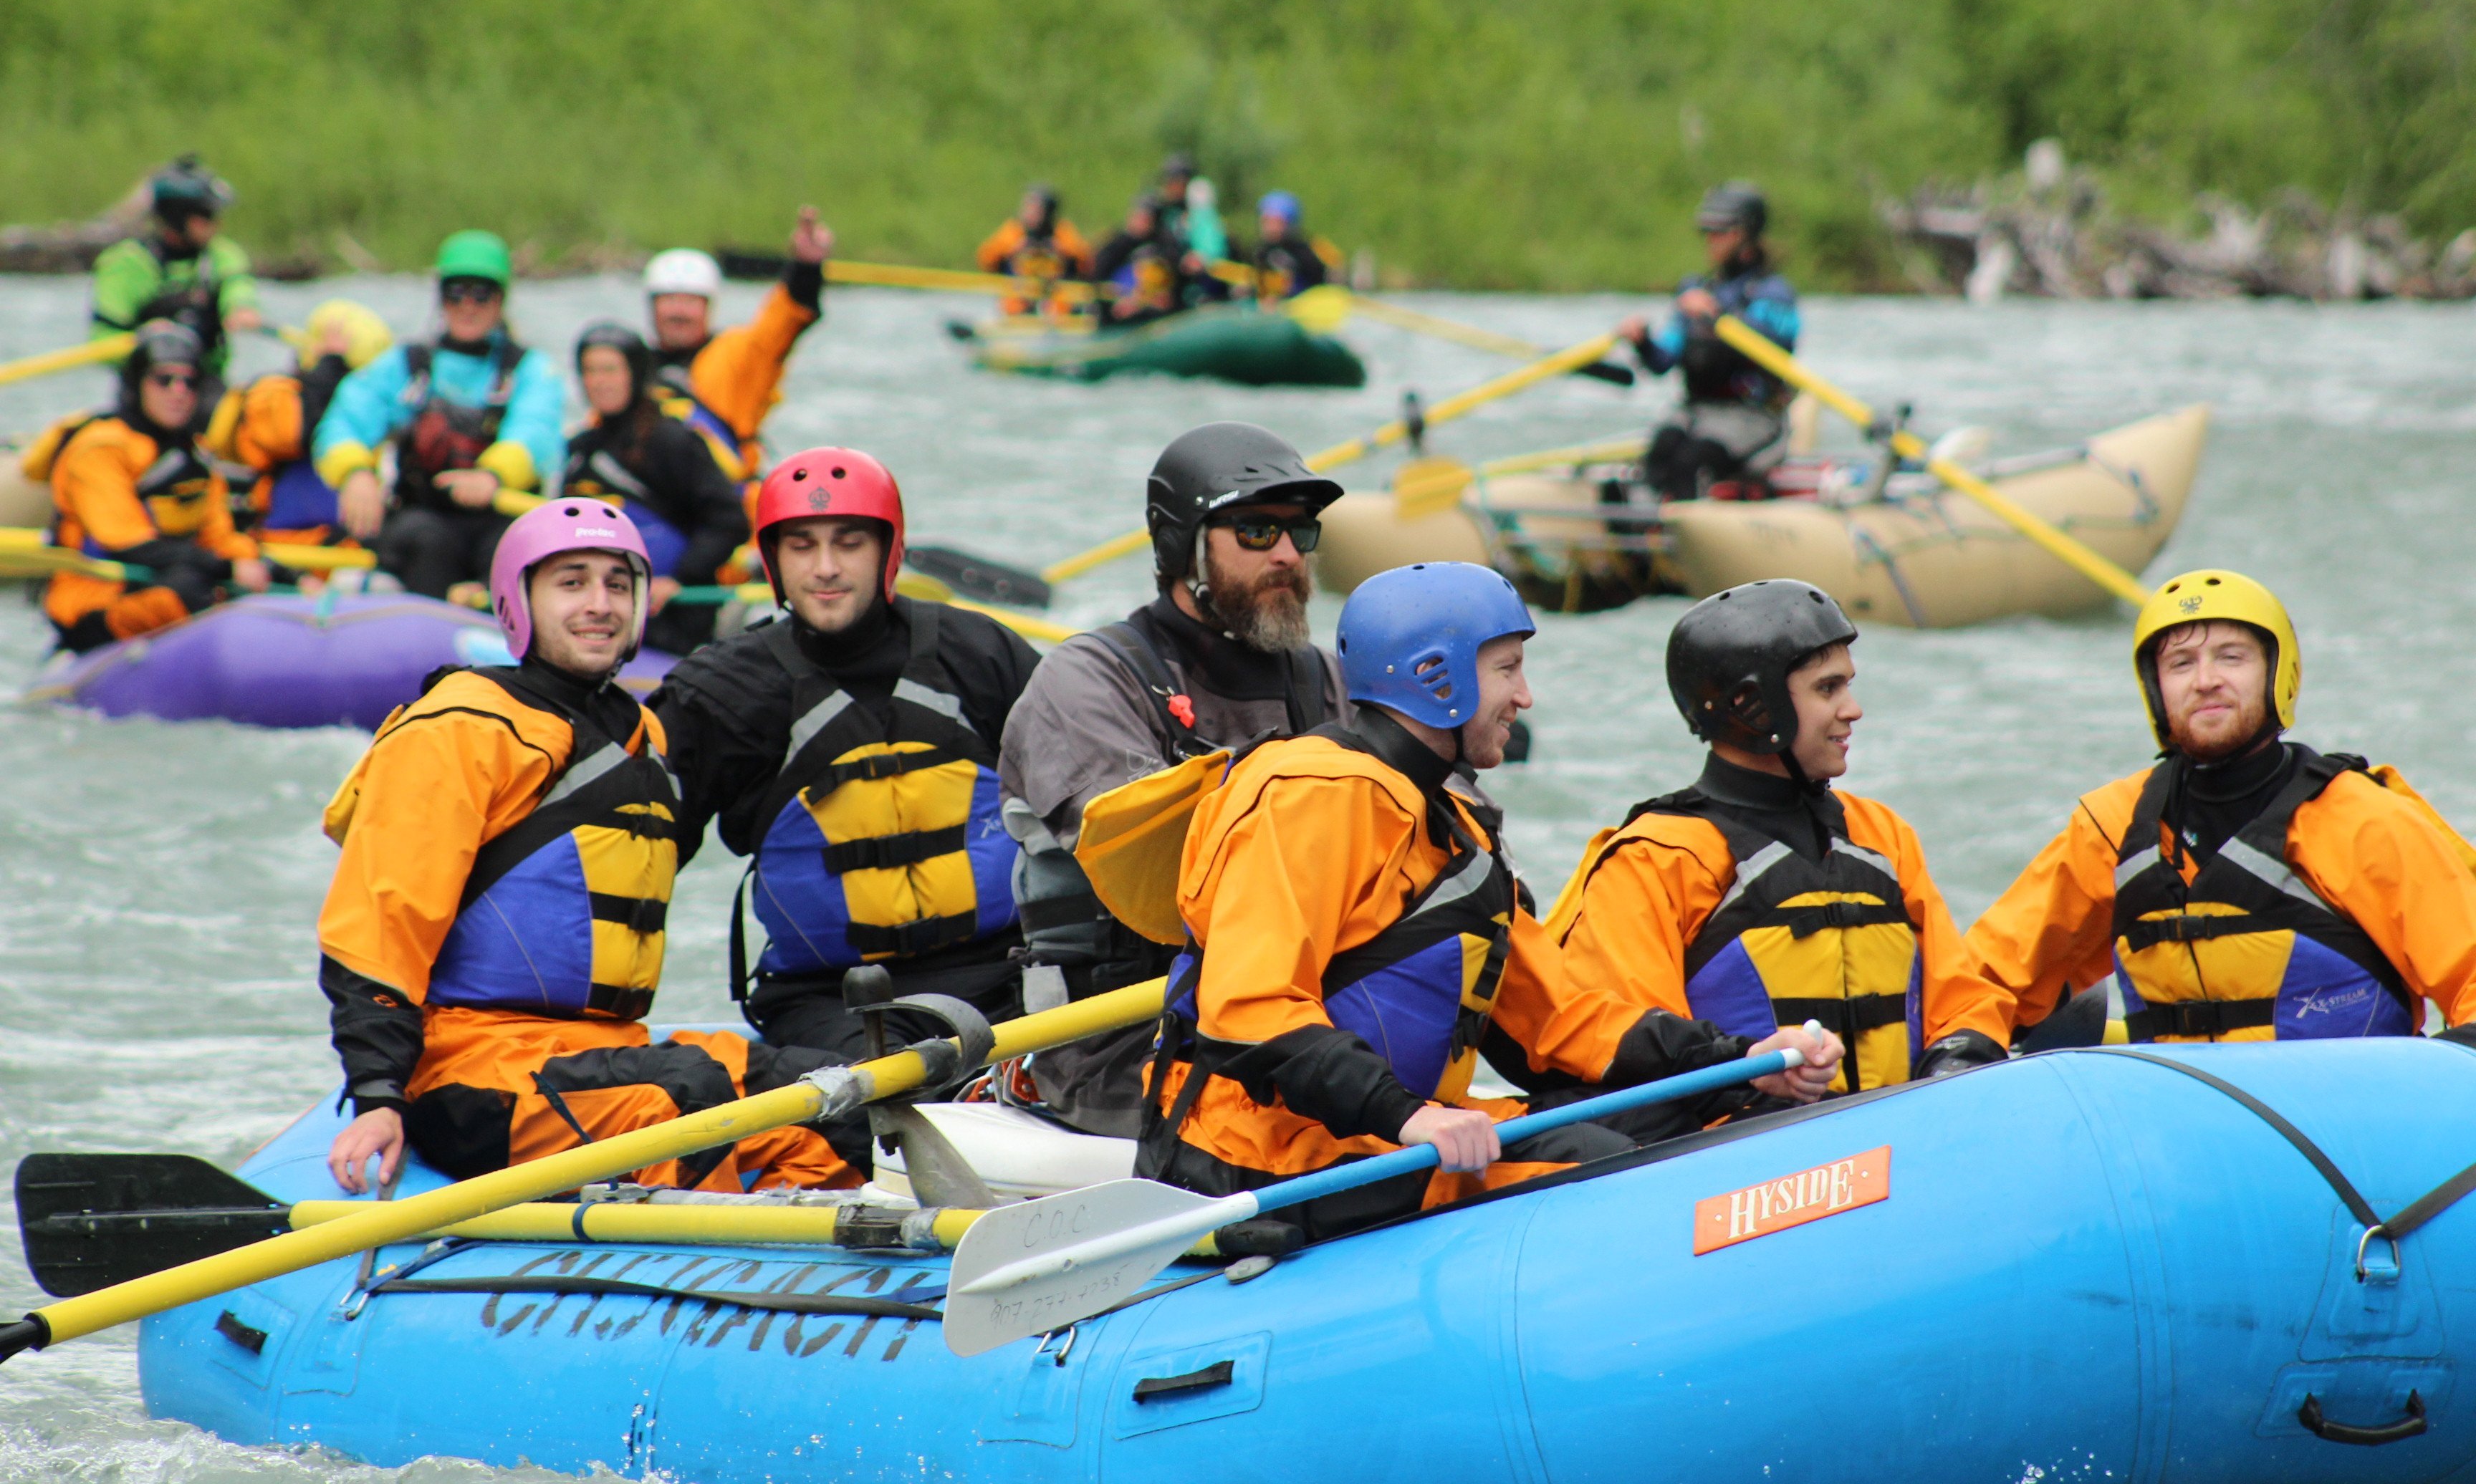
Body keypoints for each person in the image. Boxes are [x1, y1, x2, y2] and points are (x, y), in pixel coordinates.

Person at [1137, 561, 1841, 1239]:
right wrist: (1410, 1117)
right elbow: (1247, 1012)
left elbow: (1557, 1021)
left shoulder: (1452, 824)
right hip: (1261, 1160)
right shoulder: (1310, 796)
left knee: (1693, 1110)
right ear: (1433, 678)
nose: (1525, 696)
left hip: (1384, 1138)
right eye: (1507, 669)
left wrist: (1739, 1058)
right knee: (1592, 1161)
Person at [318, 501, 863, 1195]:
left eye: (617, 584)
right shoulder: (459, 728)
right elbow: (377, 924)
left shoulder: (646, 736)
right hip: (471, 1068)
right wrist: (377, 1097)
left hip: (604, 1052)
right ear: (520, 602)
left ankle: (825, 1263)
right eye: (571, 583)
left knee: (828, 1097)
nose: (599, 604)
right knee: (685, 1099)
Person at [997, 423, 1349, 1136]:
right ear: (1181, 545)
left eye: (1298, 533)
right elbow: (1161, 869)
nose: (1286, 554)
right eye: (1255, 531)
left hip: (1301, 1024)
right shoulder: (1088, 680)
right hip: (1125, 1045)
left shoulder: (1331, 682)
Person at [1543, 579, 2010, 1114]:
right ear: (1752, 706)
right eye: (1827, 689)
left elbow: (1961, 997)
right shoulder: (1656, 858)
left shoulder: (1881, 834)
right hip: (1747, 1159)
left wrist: (1959, 1060)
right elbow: (1636, 1048)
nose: (1852, 710)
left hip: (1895, 1129)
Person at [1963, 569, 2476, 1047]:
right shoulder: (2113, 826)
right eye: (2181, 664)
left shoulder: (2362, 818)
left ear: (2278, 673)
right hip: (2179, 1121)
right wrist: (1959, 1043)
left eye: (2232, 657)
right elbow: (1983, 980)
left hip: (2344, 1123)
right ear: (2156, 690)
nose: (2205, 680)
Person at [650, 447, 1041, 1059]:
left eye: (849, 543)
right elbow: (632, 854)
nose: (826, 568)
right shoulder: (720, 693)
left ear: (890, 552)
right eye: (802, 545)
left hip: (1011, 978)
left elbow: (1088, 814)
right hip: (832, 1002)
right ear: (773, 560)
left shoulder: (983, 655)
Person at [314, 231, 565, 600]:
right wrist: (355, 472)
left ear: (500, 301)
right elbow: (345, 420)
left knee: (512, 545)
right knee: (426, 539)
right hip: (424, 519)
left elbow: (536, 431)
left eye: (482, 294)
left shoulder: (531, 370)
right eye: (456, 293)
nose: (468, 306)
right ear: (441, 299)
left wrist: (494, 475)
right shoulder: (407, 365)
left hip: (498, 515)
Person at [24, 321, 270, 652]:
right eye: (164, 380)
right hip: (92, 603)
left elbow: (220, 538)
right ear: (138, 384)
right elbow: (126, 543)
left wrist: (272, 570)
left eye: (189, 382)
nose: (178, 391)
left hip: (167, 581)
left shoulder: (195, 453)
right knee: (188, 588)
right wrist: (225, 568)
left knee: (210, 581)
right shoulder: (100, 449)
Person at [560, 322, 749, 655]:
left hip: (669, 614)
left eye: (609, 370)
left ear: (635, 374)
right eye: (589, 371)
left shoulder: (671, 440)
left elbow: (729, 519)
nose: (598, 382)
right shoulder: (582, 447)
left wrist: (680, 578)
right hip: (599, 606)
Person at [1615, 182, 1801, 501]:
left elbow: (1776, 345)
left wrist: (1717, 316)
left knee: (1693, 460)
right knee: (1662, 450)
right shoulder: (1696, 291)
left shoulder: (1773, 294)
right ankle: (1644, 534)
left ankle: (1687, 533)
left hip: (1753, 417)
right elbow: (1662, 361)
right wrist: (1643, 342)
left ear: (1746, 235)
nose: (1712, 241)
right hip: (1698, 411)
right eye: (1708, 232)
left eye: (1721, 232)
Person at [643, 205, 832, 488]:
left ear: (709, 307)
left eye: (691, 301)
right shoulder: (633, 366)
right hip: (658, 503)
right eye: (668, 300)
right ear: (652, 307)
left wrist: (806, 269)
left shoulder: (740, 353)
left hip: (729, 498)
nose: (678, 312)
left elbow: (785, 320)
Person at [202, 299, 392, 543]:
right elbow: (292, 433)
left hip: (337, 545)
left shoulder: (364, 415)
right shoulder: (272, 392)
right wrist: (330, 368)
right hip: (271, 540)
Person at [90, 155, 263, 383]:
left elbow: (237, 283)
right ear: (177, 217)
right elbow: (102, 342)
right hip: (149, 395)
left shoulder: (221, 254)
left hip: (204, 385)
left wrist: (241, 307)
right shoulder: (125, 264)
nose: (217, 224)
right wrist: (146, 341)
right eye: (206, 216)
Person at [974, 186, 1092, 317]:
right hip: (1020, 291)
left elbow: (1086, 263)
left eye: (1035, 210)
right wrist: (1012, 250)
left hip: (1053, 293)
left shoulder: (1062, 232)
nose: (1029, 214)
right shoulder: (1014, 230)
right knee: (1013, 302)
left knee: (1061, 302)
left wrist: (1062, 251)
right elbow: (985, 259)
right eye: (1027, 208)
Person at [1090, 194, 1185, 327]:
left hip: (1156, 314)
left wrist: (1143, 302)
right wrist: (1120, 302)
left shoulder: (1167, 247)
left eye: (1146, 218)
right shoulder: (1115, 246)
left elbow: (1172, 290)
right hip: (1120, 314)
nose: (1141, 222)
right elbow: (1099, 283)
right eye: (1138, 216)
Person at [1248, 191, 1335, 303]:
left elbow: (1322, 282)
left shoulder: (1307, 251)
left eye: (1277, 222)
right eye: (1267, 222)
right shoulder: (1259, 251)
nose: (1271, 228)